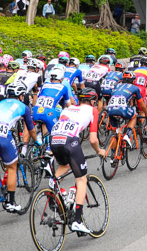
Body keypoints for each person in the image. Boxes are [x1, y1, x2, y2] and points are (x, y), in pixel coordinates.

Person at [49, 87, 106, 233]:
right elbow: (93, 139)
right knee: (81, 179)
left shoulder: (68, 109)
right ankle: (78, 221)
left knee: (65, 165)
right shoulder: (93, 111)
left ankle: (54, 185)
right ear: (93, 101)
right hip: (69, 141)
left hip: (54, 139)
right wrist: (99, 151)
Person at [0, 82, 37, 213]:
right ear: (21, 96)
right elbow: (31, 129)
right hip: (2, 136)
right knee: (12, 166)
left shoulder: (0, 103)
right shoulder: (23, 107)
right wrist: (37, 141)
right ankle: (11, 202)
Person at [32, 67, 76, 152]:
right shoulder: (63, 87)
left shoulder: (44, 85)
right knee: (56, 132)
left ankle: (39, 144)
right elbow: (68, 105)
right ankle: (49, 151)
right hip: (48, 113)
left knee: (44, 125)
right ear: (61, 79)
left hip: (36, 112)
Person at [107, 71, 147, 147]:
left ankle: (114, 156)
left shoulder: (117, 86)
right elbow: (142, 104)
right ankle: (127, 135)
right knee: (134, 116)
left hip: (110, 109)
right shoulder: (135, 88)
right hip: (122, 109)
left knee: (114, 133)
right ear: (133, 81)